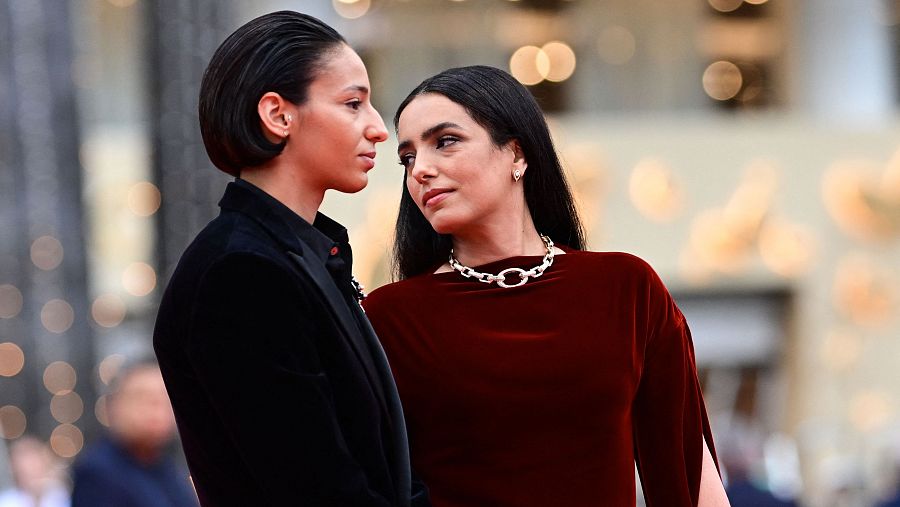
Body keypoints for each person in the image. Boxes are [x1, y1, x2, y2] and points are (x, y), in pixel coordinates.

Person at [362, 65, 731, 507]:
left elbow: (688, 474)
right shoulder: (389, 318)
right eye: (407, 157)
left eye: (445, 142)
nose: (420, 170)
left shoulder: (627, 289)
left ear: (517, 154)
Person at [152, 10, 427, 507]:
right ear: (279, 115)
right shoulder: (240, 272)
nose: (377, 129)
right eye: (352, 104)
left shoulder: (299, 254)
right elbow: (316, 486)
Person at [70, 359, 196, 507]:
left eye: (164, 399)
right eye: (142, 397)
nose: (156, 409)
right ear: (112, 406)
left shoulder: (170, 468)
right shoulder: (98, 473)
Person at [0, 436, 69, 507]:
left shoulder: (60, 495)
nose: (34, 477)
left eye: (36, 467)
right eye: (25, 473)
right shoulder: (6, 501)